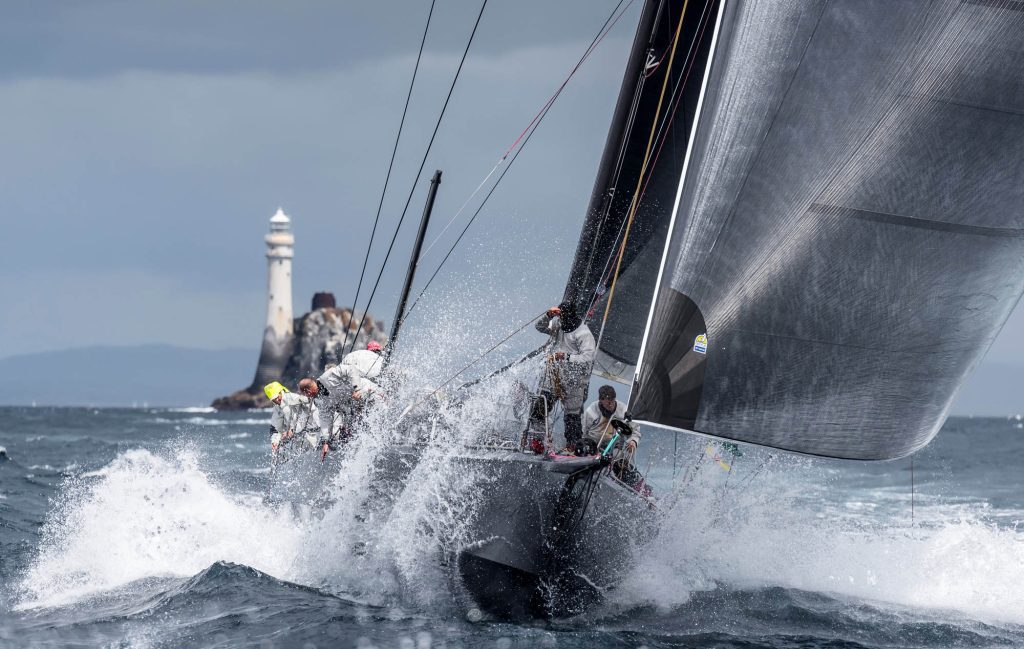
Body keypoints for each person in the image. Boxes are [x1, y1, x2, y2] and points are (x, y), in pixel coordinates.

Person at [531, 301, 596, 453]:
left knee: (572, 416)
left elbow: (588, 358)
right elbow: (539, 327)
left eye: (564, 317)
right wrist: (548, 315)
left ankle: (573, 447)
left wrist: (567, 357)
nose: (562, 321)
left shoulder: (583, 334)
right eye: (560, 317)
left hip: (575, 380)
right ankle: (537, 440)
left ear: (572, 316)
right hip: (554, 375)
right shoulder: (558, 326)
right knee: (541, 404)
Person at [299, 363, 379, 460]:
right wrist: (326, 441)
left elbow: (351, 369)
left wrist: (357, 389)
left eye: (306, 395)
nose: (308, 397)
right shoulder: (320, 401)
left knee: (381, 410)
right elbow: (325, 419)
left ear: (308, 391)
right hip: (357, 408)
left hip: (368, 391)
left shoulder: (328, 376)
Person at [581, 385, 640, 455]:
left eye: (613, 401)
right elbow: (583, 431)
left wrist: (633, 441)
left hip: (614, 445)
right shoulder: (591, 411)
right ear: (600, 400)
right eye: (608, 403)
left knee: (618, 456)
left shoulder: (624, 411)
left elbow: (635, 431)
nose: (611, 405)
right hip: (593, 443)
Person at [264, 381, 320, 454]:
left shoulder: (295, 398)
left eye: (277, 396)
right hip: (299, 438)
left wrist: (292, 430)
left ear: (281, 392)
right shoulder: (277, 408)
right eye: (274, 399)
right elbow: (275, 427)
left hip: (313, 433)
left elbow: (312, 411)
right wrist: (274, 441)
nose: (277, 399)